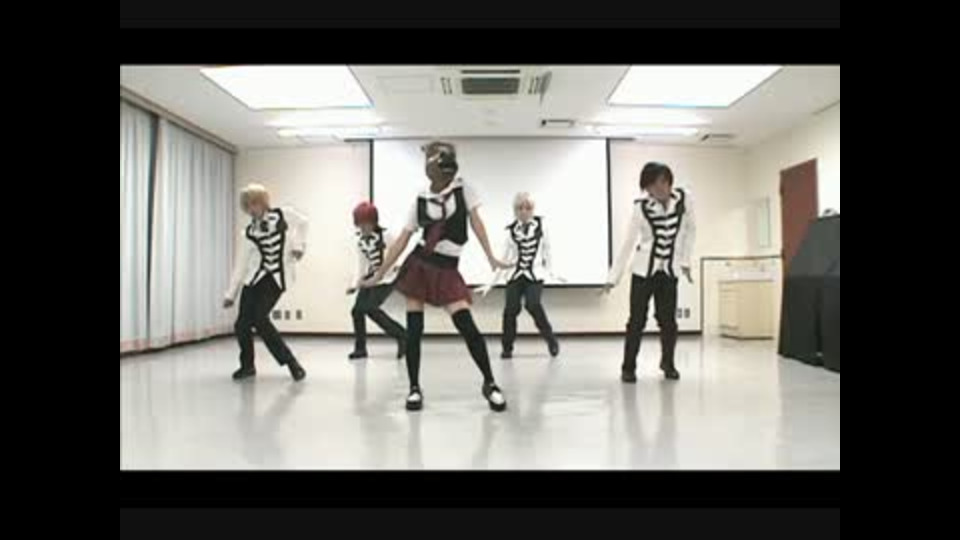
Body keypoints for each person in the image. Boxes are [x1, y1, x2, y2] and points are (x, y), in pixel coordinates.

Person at [360, 140, 510, 412]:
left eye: (444, 159)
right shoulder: (420, 199)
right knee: (414, 329)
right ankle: (414, 388)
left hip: (447, 269)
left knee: (467, 325)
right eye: (435, 159)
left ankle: (490, 383)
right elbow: (402, 240)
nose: (440, 165)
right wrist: (379, 275)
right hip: (420, 265)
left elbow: (476, 223)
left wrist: (490, 256)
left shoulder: (464, 190)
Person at [604, 162, 696, 383]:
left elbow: (690, 230)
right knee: (636, 321)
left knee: (668, 321)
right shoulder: (641, 208)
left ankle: (668, 363)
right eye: (653, 185)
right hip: (643, 272)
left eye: (663, 182)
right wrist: (613, 278)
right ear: (646, 188)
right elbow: (628, 243)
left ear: (670, 182)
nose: (659, 188)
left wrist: (685, 261)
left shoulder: (685, 199)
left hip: (669, 271)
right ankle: (628, 367)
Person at [223, 183, 308, 382]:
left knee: (260, 319)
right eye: (247, 206)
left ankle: (292, 363)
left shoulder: (284, 215)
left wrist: (298, 246)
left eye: (254, 203)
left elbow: (304, 223)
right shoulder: (248, 233)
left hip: (276, 279)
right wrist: (230, 294)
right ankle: (247, 366)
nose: (251, 209)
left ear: (263, 202)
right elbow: (241, 264)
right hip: (254, 280)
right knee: (242, 324)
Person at [478, 192, 561, 359]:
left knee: (533, 305)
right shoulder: (510, 232)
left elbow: (548, 251)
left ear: (533, 209)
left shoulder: (542, 227)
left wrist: (552, 272)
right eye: (519, 208)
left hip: (534, 275)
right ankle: (507, 347)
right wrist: (490, 283)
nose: (524, 211)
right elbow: (503, 260)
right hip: (514, 275)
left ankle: (551, 340)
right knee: (511, 309)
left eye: (527, 208)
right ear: (515, 210)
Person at [347, 201, 406, 360]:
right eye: (359, 224)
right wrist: (355, 284)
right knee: (357, 311)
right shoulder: (360, 240)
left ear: (374, 222)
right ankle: (360, 349)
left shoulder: (387, 236)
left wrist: (385, 274)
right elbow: (361, 263)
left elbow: (397, 255)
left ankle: (401, 335)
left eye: (365, 224)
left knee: (370, 308)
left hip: (388, 278)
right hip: (371, 277)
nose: (362, 227)